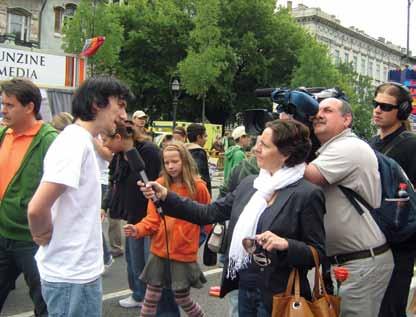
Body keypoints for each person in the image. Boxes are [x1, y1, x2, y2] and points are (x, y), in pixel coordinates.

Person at [139, 120, 326, 315]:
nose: (256, 149)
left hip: (281, 295)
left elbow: (317, 252)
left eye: (264, 145)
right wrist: (166, 196)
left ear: (286, 154)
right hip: (244, 287)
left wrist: (286, 244)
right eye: (258, 142)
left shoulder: (307, 194)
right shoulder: (251, 184)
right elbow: (208, 213)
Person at [27, 76, 131, 317]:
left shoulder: (84, 141)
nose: (124, 115)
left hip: (77, 274)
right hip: (71, 276)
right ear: (97, 104)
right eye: (120, 105)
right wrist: (41, 234)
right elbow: (37, 207)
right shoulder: (73, 142)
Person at [304, 97, 394, 317]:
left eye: (328, 110)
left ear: (347, 119)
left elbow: (307, 178)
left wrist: (285, 140)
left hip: (360, 263)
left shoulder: (348, 147)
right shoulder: (329, 149)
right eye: (316, 111)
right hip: (346, 263)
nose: (319, 115)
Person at [124, 141, 211, 317]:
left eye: (175, 161)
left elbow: (208, 216)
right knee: (150, 298)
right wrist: (137, 229)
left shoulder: (198, 187)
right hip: (159, 251)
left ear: (185, 161)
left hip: (183, 252)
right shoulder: (159, 183)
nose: (170, 166)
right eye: (166, 162)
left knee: (182, 299)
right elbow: (152, 219)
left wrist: (194, 240)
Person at [0, 78, 57, 316]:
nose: (3, 110)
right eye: (3, 104)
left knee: (45, 304)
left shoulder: (49, 140)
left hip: (33, 241)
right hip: (2, 235)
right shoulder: (4, 134)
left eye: (9, 105)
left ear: (30, 107)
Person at [102, 120, 161, 309]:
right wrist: (105, 206)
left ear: (118, 137)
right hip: (132, 215)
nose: (104, 144)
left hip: (149, 217)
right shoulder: (119, 155)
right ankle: (138, 294)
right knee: (133, 259)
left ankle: (150, 297)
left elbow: (156, 181)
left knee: (147, 259)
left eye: (106, 140)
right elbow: (114, 181)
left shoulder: (149, 151)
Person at [369, 82, 416, 317]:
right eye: (375, 104)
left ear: (403, 111)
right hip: (370, 241)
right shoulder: (368, 144)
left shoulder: (411, 145)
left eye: (385, 106)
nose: (378, 110)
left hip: (400, 243)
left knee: (390, 309)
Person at [186, 123, 212, 194]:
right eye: (205, 136)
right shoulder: (199, 152)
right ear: (198, 137)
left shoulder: (184, 150)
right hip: (200, 194)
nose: (206, 139)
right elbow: (200, 175)